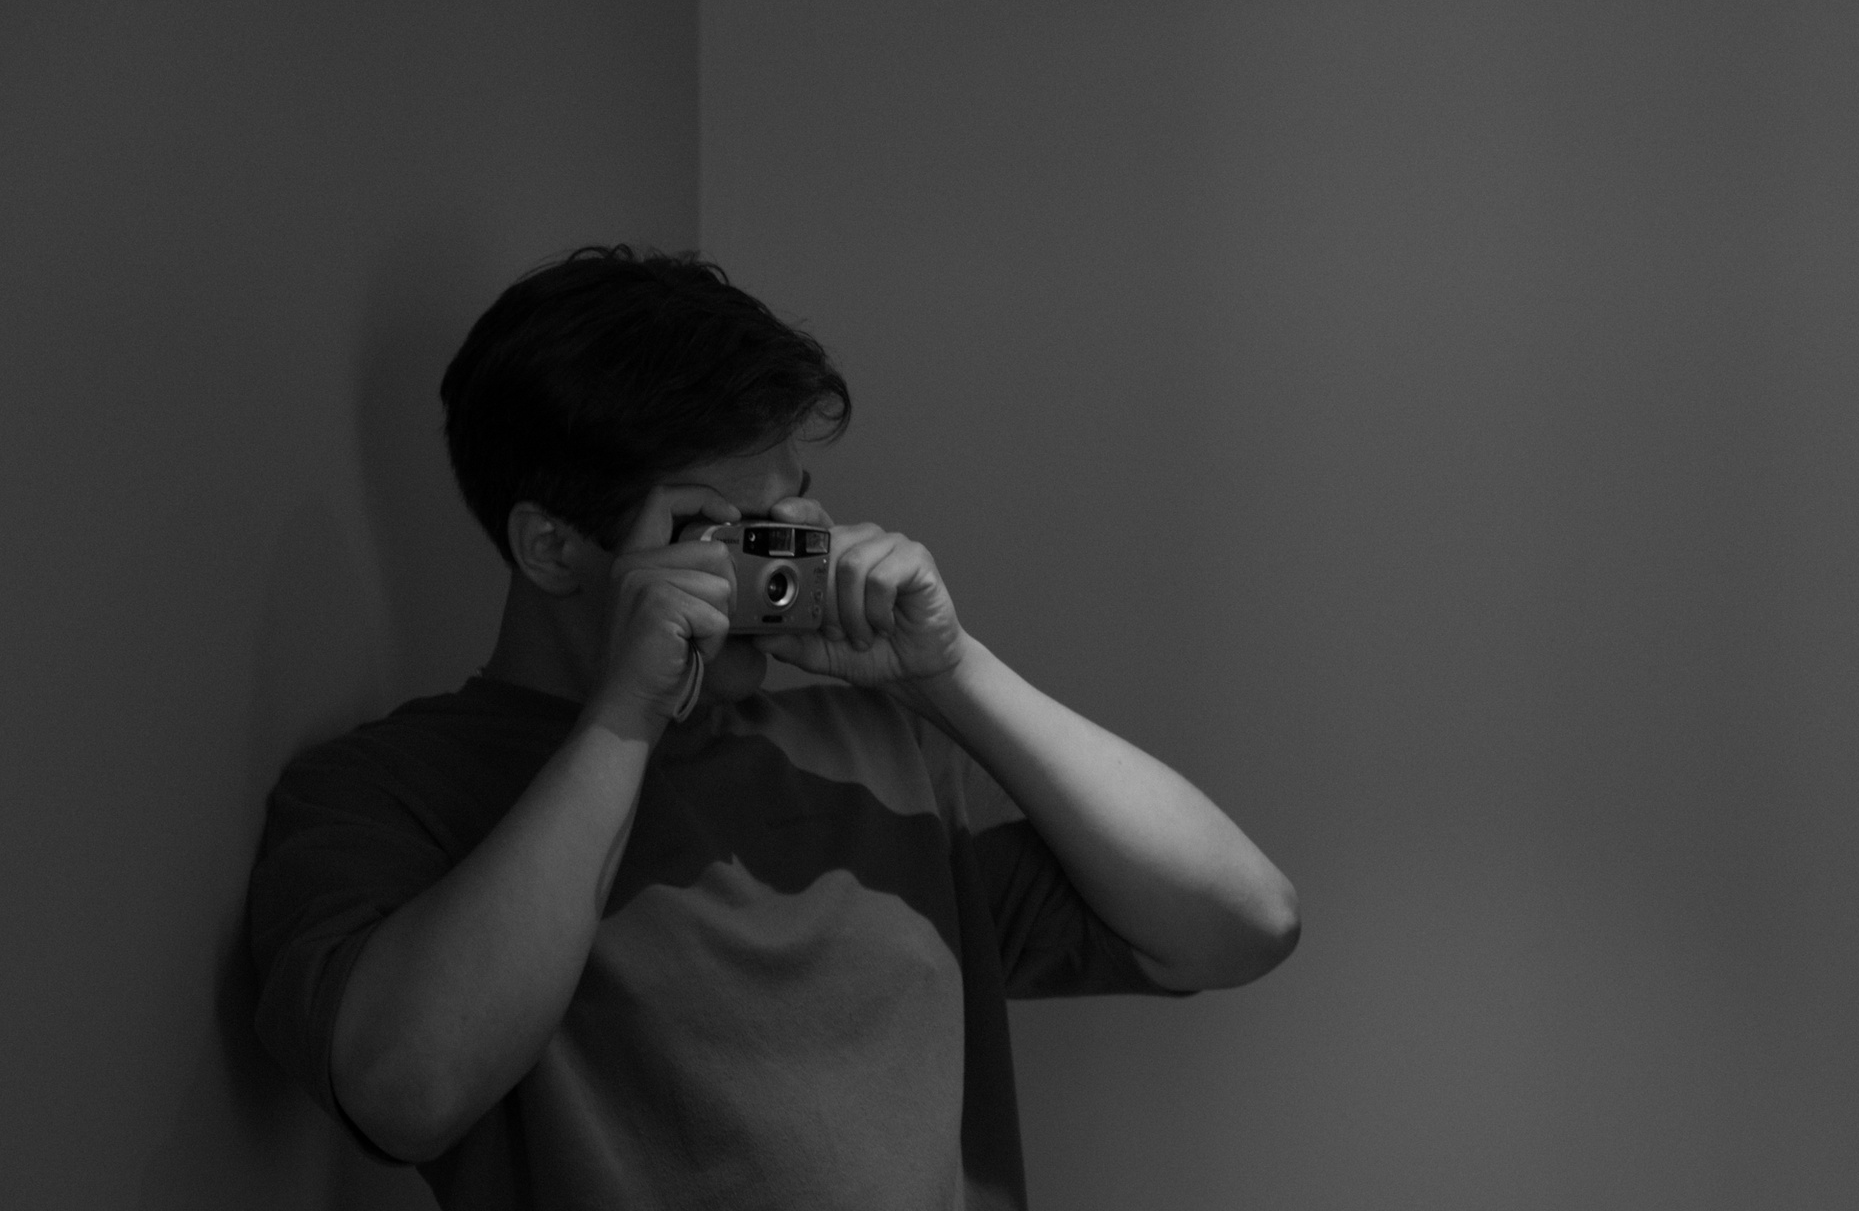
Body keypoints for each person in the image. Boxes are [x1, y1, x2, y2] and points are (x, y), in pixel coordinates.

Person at [249, 245, 1298, 1210]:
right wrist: (625, 719)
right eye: (716, 525)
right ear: (553, 549)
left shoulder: (879, 752)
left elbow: (1243, 922)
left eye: (790, 507)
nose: (777, 556)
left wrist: (950, 673)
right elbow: (405, 1090)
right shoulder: (387, 790)